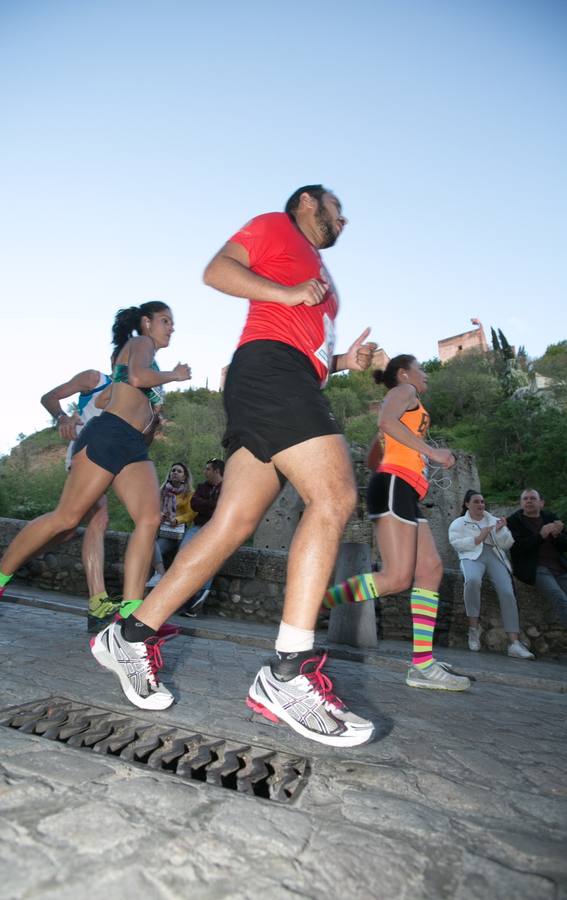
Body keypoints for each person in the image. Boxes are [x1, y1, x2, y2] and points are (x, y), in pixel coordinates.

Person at [90, 183, 379, 746]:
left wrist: (344, 361)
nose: (344, 218)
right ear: (307, 204)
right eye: (336, 209)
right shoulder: (278, 226)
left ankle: (130, 633)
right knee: (335, 497)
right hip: (270, 374)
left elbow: (304, 343)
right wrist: (290, 292)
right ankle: (288, 673)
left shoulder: (316, 268)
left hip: (284, 375)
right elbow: (217, 272)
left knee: (230, 526)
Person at [0, 302, 191, 682]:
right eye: (166, 321)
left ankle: (132, 618)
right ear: (146, 322)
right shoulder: (142, 345)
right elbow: (137, 377)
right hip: (107, 435)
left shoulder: (151, 370)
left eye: (173, 323)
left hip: (132, 446)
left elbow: (141, 406)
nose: (171, 329)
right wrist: (174, 375)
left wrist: (154, 417)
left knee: (149, 519)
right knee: (68, 518)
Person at [324, 354, 472, 691]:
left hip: (402, 489)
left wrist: (403, 452)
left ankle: (422, 663)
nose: (426, 375)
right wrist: (432, 453)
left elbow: (374, 455)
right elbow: (387, 423)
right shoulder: (404, 390)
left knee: (431, 569)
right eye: (422, 369)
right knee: (395, 578)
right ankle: (323, 599)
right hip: (394, 487)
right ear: (404, 373)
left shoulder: (410, 406)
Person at [40, 368, 120, 632]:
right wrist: (63, 417)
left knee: (69, 526)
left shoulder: (135, 398)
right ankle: (98, 603)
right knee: (98, 517)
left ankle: (10, 563)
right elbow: (48, 397)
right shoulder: (95, 380)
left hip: (106, 461)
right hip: (84, 453)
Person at [448, 490, 534, 659]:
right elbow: (456, 543)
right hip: (471, 555)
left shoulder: (493, 520)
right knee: (472, 580)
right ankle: (473, 628)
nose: (481, 505)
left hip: (494, 556)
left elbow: (508, 543)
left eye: (482, 502)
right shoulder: (459, 523)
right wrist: (478, 538)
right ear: (467, 504)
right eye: (476, 502)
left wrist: (500, 531)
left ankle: (514, 643)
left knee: (507, 592)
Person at [507, 489, 567, 627]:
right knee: (559, 597)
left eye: (533, 498)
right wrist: (540, 536)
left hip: (559, 566)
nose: (529, 501)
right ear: (521, 503)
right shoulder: (513, 521)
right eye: (525, 499)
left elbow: (565, 545)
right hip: (534, 568)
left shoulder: (550, 517)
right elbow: (517, 548)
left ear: (541, 503)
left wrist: (558, 535)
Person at [178, 457, 224, 616]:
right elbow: (194, 504)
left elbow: (222, 508)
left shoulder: (227, 488)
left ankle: (198, 599)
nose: (205, 472)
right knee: (183, 555)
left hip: (214, 529)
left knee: (206, 561)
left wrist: (208, 504)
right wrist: (212, 504)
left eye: (208, 469)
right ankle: (183, 597)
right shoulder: (202, 487)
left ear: (216, 471)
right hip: (198, 527)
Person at [146, 462, 196, 588]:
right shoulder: (162, 491)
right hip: (163, 532)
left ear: (184, 477)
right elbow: (152, 509)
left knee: (184, 554)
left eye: (179, 471)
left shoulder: (189, 493)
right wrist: (160, 514)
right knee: (150, 545)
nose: (175, 473)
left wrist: (177, 519)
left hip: (179, 533)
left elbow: (191, 514)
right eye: (173, 470)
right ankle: (160, 574)